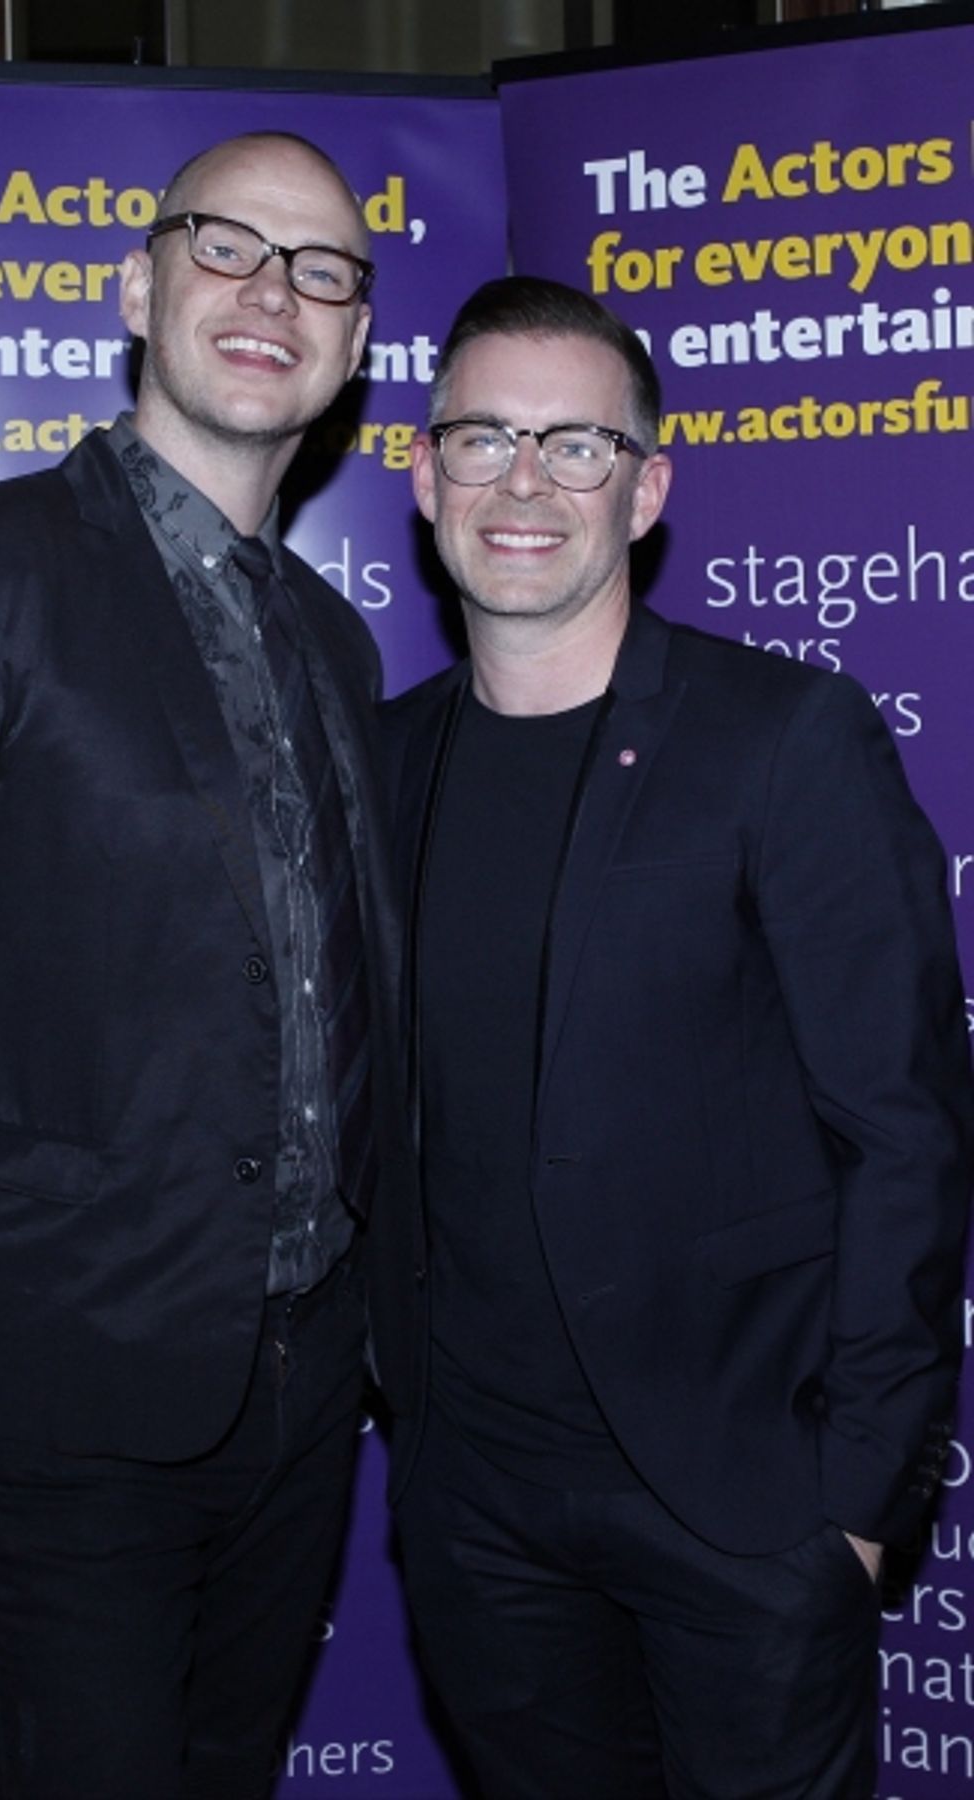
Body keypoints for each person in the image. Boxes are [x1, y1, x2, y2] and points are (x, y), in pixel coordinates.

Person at [0, 131, 419, 1800]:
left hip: (296, 1402)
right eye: (228, 247)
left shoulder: (334, 641)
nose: (273, 292)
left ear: (354, 350)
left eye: (323, 271)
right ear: (136, 289)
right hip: (56, 1408)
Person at [381, 275, 973, 1800]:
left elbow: (905, 1131)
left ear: (646, 490)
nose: (523, 485)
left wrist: (853, 1501)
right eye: (483, 439)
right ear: (421, 468)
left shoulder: (784, 737)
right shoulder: (382, 759)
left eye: (576, 446)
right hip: (475, 1506)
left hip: (743, 1507)